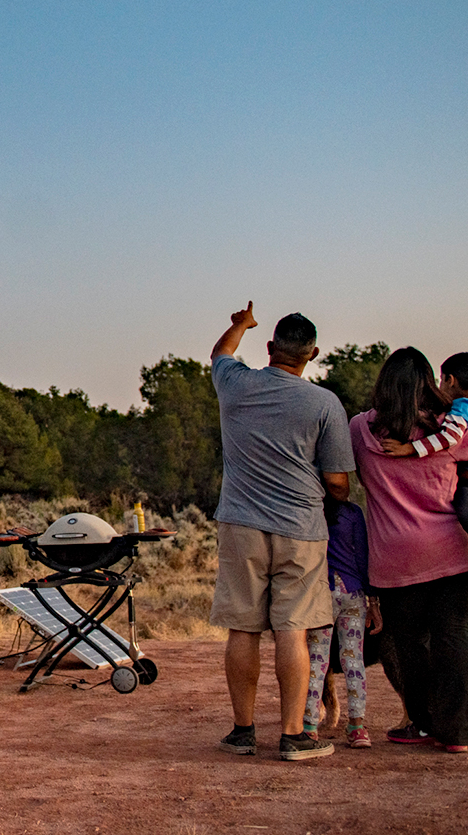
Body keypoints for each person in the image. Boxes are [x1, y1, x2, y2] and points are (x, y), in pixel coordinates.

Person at [208, 303, 356, 762]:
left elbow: (220, 353)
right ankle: (294, 736)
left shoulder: (234, 386)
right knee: (292, 630)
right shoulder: (324, 403)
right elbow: (337, 480)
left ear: (270, 348)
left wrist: (239, 325)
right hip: (301, 529)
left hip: (241, 524)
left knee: (243, 628)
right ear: (311, 354)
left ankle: (243, 732)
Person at [352, 347, 468, 754]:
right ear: (428, 383)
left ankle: (424, 722)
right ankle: (456, 734)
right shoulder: (450, 431)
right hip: (454, 551)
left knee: (408, 643)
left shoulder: (359, 430)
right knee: (452, 635)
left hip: (395, 558)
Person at [378, 352, 468, 612]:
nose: (438, 386)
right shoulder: (466, 407)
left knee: (466, 513)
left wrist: (410, 449)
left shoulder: (463, 408)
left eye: (440, 381)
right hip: (467, 481)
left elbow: (449, 438)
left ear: (450, 380)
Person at [304, 495, 377, 748]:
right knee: (353, 660)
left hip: (321, 593)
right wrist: (373, 600)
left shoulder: (309, 508)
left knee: (316, 660)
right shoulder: (352, 513)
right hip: (352, 592)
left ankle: (310, 726)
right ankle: (357, 727)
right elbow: (363, 556)